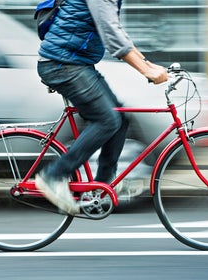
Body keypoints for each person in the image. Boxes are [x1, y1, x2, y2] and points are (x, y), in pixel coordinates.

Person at [35, 0, 168, 215]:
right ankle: (54, 175)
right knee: (107, 120)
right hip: (62, 64)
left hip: (75, 63)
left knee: (120, 118)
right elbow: (111, 35)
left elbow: (116, 30)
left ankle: (101, 187)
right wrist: (145, 70)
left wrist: (148, 64)